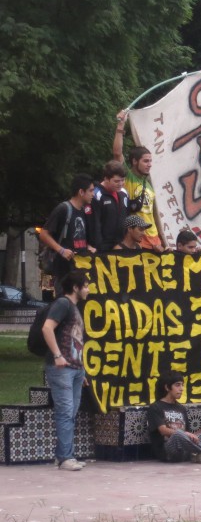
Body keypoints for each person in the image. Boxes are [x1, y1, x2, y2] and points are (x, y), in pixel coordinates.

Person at [40, 270, 90, 471]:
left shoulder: (75, 308)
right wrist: (57, 355)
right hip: (61, 368)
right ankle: (65, 457)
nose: (88, 289)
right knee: (65, 411)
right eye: (85, 286)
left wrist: (82, 370)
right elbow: (47, 328)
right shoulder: (63, 304)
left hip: (75, 368)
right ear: (76, 288)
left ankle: (63, 454)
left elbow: (76, 341)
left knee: (71, 412)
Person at [148, 371, 201, 463]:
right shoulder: (156, 407)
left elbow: (189, 437)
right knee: (177, 434)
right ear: (167, 387)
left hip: (186, 450)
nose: (181, 389)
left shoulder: (181, 408)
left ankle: (200, 456)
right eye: (177, 385)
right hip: (169, 450)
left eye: (182, 385)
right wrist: (185, 434)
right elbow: (163, 431)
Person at [114, 109, 166, 251]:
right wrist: (120, 126)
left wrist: (161, 239)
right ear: (135, 162)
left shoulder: (148, 184)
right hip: (137, 235)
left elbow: (153, 214)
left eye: (150, 161)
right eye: (145, 161)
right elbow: (118, 153)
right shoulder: (128, 178)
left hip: (154, 236)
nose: (149, 164)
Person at [38, 174, 96, 284]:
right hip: (63, 270)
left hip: (79, 269)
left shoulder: (84, 211)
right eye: (91, 191)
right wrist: (61, 250)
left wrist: (88, 247)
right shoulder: (63, 209)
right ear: (81, 192)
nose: (93, 194)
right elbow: (43, 234)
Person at [91, 161, 129, 252]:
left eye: (123, 180)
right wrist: (98, 246)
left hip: (120, 244)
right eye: (116, 181)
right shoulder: (96, 195)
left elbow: (127, 217)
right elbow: (94, 223)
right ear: (106, 179)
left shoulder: (124, 193)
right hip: (103, 247)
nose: (120, 184)